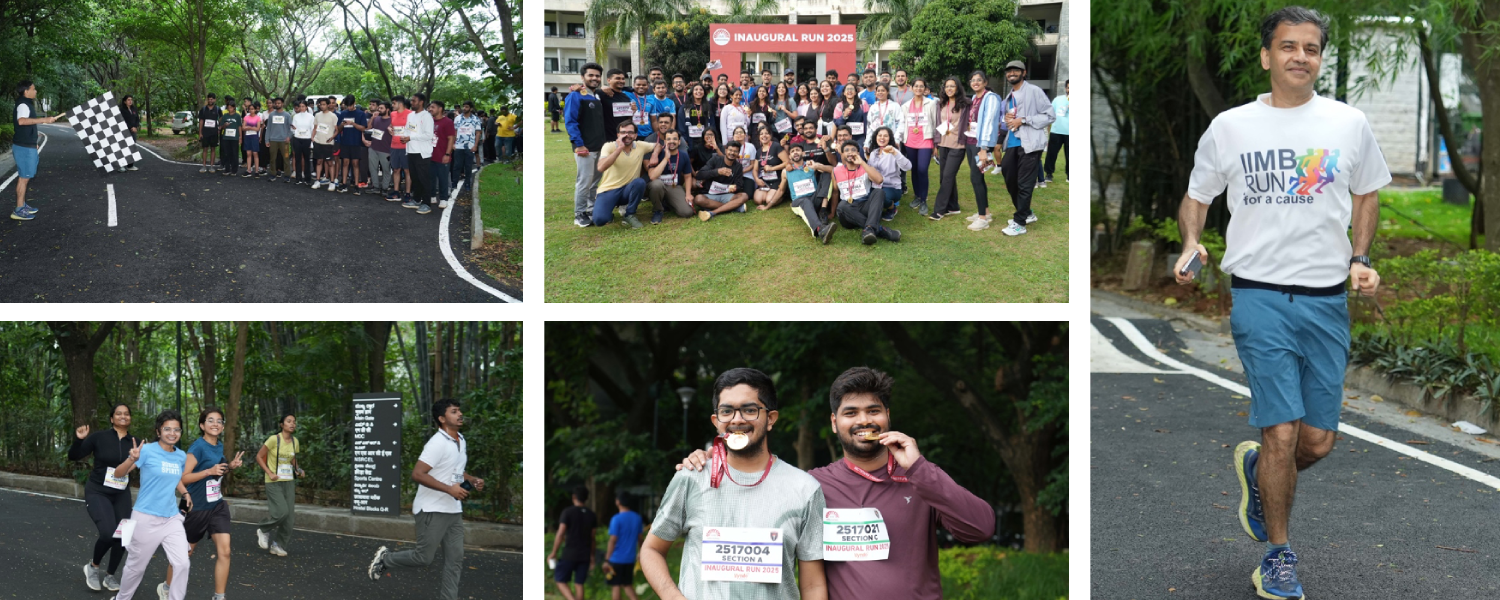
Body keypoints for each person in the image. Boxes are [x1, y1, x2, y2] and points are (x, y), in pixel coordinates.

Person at [1175, 7, 1388, 600]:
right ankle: (1278, 556)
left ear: (1320, 59)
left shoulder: (1348, 124)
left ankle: (1257, 475)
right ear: (1267, 56)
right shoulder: (1231, 126)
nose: (1300, 56)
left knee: (1316, 442)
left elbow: (1367, 193)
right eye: (1289, 46)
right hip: (1259, 296)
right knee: (1282, 432)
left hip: (1326, 302)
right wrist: (1192, 242)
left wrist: (1360, 257)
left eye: (1311, 48)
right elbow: (1197, 196)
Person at [677, 367, 997, 599]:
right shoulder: (812, 485)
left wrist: (919, 467)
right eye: (850, 412)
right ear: (834, 422)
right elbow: (754, 503)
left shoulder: (920, 478)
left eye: (873, 410)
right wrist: (711, 462)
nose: (863, 420)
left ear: (887, 416)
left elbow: (981, 528)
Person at [639, 368, 828, 600]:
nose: (737, 420)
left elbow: (813, 586)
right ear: (716, 421)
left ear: (770, 418)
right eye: (727, 411)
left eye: (749, 410)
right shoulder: (692, 478)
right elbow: (651, 550)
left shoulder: (804, 488)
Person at [367, 400, 484, 600]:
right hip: (432, 509)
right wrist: (449, 489)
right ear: (442, 419)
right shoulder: (437, 443)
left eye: (459, 411)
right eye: (454, 411)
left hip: (453, 510)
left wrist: (471, 479)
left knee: (455, 560)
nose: (460, 414)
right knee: (423, 557)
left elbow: (455, 470)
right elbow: (418, 474)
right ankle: (386, 559)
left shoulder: (460, 440)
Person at [160, 407, 245, 600]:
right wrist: (209, 471)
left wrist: (230, 467)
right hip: (196, 508)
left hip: (217, 506)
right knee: (184, 554)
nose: (215, 424)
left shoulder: (219, 445)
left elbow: (218, 471)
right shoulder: (197, 448)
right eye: (210, 420)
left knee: (225, 551)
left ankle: (219, 596)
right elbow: (182, 478)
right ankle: (166, 587)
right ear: (202, 425)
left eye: (219, 421)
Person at [106, 410, 191, 600]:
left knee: (182, 563)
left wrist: (184, 492)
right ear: (158, 431)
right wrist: (132, 458)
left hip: (171, 518)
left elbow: (174, 477)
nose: (172, 433)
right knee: (136, 567)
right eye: (167, 429)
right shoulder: (146, 450)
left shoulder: (181, 456)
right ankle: (121, 598)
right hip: (146, 517)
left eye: (177, 429)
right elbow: (118, 474)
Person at [70, 404, 139, 592]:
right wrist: (79, 440)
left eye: (126, 414)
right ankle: (93, 567)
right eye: (119, 413)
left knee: (124, 535)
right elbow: (74, 456)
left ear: (130, 418)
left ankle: (110, 575)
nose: (123, 416)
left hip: (121, 492)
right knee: (108, 533)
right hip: (98, 491)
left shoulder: (136, 442)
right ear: (111, 418)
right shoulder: (99, 437)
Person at [995, 60, 1055, 236]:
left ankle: (1020, 222)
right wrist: (1008, 119)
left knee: (1024, 183)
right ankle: (1027, 213)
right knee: (1009, 178)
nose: (1011, 73)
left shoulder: (1034, 91)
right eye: (1008, 71)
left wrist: (1024, 119)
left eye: (1016, 70)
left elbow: (1050, 116)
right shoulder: (1009, 97)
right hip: (1012, 143)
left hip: (1030, 144)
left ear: (1024, 72)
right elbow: (1008, 120)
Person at [254, 413, 304, 557]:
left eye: (294, 421)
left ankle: (278, 545)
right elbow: (259, 456)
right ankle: (263, 529)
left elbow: (292, 458)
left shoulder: (295, 441)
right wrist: (269, 473)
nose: (292, 424)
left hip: (288, 481)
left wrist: (298, 469)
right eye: (289, 421)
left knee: (289, 518)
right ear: (282, 425)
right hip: (273, 481)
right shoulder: (273, 439)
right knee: (282, 512)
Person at [10, 80, 61, 221]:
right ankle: (19, 209)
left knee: (25, 177)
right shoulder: (23, 104)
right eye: (33, 89)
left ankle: (22, 205)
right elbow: (21, 121)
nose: (35, 91)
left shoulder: (26, 103)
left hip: (27, 145)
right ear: (26, 91)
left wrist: (33, 142)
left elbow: (27, 125)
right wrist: (43, 120)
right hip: (24, 148)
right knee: (24, 178)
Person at [832, 140, 898, 245]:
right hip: (848, 212)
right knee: (842, 206)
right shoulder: (836, 171)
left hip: (864, 206)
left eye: (853, 150)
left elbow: (879, 180)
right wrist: (832, 213)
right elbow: (835, 192)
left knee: (878, 192)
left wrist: (862, 163)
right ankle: (879, 229)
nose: (850, 152)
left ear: (858, 153)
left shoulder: (866, 168)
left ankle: (869, 228)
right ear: (842, 154)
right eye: (847, 150)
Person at [566, 63, 607, 228]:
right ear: (582, 77)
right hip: (585, 148)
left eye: (597, 76)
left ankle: (591, 210)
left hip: (600, 147)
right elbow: (571, 122)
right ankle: (579, 214)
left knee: (594, 182)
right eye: (591, 75)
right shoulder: (575, 96)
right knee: (584, 181)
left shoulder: (597, 96)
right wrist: (578, 144)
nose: (594, 78)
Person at [593, 120, 653, 228]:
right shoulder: (609, 146)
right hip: (609, 190)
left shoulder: (640, 146)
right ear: (618, 135)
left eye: (630, 132)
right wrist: (619, 148)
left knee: (639, 182)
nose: (626, 135)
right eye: (623, 132)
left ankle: (630, 214)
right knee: (600, 220)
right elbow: (601, 167)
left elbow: (658, 146)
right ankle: (608, 209)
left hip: (627, 190)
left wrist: (656, 154)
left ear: (635, 135)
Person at [960, 70, 1001, 231]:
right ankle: (985, 212)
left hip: (981, 144)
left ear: (985, 82)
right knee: (978, 178)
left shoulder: (990, 98)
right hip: (971, 141)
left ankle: (982, 219)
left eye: (978, 80)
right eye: (972, 80)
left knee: (976, 178)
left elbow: (989, 122)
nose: (975, 82)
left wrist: (983, 148)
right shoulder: (974, 98)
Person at [779, 143, 838, 244]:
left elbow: (833, 170)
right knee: (805, 201)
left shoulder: (811, 165)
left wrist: (817, 166)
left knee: (827, 174)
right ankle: (821, 230)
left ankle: (823, 211)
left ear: (803, 153)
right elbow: (781, 190)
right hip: (799, 202)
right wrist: (769, 204)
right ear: (790, 156)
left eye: (797, 150)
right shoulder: (785, 171)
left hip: (814, 198)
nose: (795, 152)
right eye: (792, 151)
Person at [929, 77, 969, 221]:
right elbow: (938, 124)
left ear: (958, 88)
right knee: (945, 176)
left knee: (947, 176)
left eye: (952, 86)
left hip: (958, 145)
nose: (949, 89)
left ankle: (939, 210)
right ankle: (953, 206)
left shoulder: (966, 104)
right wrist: (936, 144)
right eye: (947, 86)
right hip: (943, 144)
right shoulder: (941, 104)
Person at [548, 486, 597, 600]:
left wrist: (554, 552)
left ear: (574, 497)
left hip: (570, 553)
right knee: (579, 583)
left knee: (560, 579)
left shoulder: (568, 512)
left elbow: (560, 533)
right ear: (586, 498)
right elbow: (592, 538)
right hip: (585, 554)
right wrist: (592, 556)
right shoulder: (591, 515)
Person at [898, 78, 938, 217]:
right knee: (914, 169)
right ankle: (917, 196)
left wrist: (936, 144)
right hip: (910, 141)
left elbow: (935, 123)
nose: (919, 88)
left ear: (925, 89)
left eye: (921, 86)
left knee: (922, 169)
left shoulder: (931, 103)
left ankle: (923, 200)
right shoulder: (905, 106)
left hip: (925, 140)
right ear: (911, 88)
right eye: (916, 86)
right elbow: (903, 124)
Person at [645, 129, 695, 222]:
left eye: (675, 139)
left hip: (673, 186)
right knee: (656, 185)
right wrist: (666, 158)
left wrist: (688, 194)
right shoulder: (657, 154)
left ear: (679, 142)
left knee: (687, 212)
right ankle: (658, 210)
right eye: (669, 139)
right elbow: (652, 176)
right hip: (658, 186)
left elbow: (688, 176)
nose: (671, 141)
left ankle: (668, 202)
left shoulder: (684, 155)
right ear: (665, 141)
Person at [693, 140, 749, 221]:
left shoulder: (738, 166)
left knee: (744, 196)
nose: (732, 153)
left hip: (726, 195)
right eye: (730, 150)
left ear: (738, 153)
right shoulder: (715, 160)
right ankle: (734, 207)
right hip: (710, 194)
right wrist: (717, 172)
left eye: (735, 151)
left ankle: (713, 212)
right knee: (698, 199)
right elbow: (699, 175)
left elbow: (739, 184)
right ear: (726, 150)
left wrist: (735, 188)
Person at [867, 127, 912, 223]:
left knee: (882, 197)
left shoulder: (894, 152)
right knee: (865, 197)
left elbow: (908, 167)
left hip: (891, 186)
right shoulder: (873, 153)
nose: (882, 138)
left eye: (885, 136)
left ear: (890, 138)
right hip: (875, 185)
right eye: (880, 135)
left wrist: (895, 153)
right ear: (875, 137)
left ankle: (892, 208)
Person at [402, 93, 437, 215]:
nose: (412, 103)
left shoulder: (427, 116)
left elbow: (428, 135)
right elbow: (408, 129)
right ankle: (416, 200)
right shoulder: (410, 115)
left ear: (421, 102)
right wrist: (404, 136)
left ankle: (426, 203)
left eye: (414, 101)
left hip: (422, 153)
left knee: (423, 179)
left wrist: (410, 137)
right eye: (411, 101)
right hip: (411, 151)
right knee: (415, 178)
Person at [604, 493, 644, 600]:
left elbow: (612, 540)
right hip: (630, 559)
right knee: (627, 585)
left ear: (618, 502)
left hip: (616, 559)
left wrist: (607, 560)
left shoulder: (616, 519)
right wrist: (640, 552)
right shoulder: (637, 518)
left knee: (616, 585)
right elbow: (640, 539)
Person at [336, 96, 368, 194]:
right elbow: (338, 129)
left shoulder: (360, 113)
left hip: (356, 142)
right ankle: (344, 183)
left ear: (354, 103)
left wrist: (353, 124)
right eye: (347, 106)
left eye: (350, 105)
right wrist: (342, 125)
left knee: (355, 163)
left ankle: (356, 185)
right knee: (345, 163)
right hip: (345, 142)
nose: (349, 107)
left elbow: (363, 128)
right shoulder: (343, 113)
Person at [750, 126, 787, 210]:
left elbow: (787, 162)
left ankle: (782, 194)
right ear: (759, 137)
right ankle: (771, 193)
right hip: (765, 182)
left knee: (769, 200)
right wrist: (757, 179)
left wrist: (772, 168)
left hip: (777, 180)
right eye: (761, 134)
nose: (764, 136)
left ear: (770, 135)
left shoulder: (776, 146)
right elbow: (755, 169)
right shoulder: (759, 151)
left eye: (766, 133)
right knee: (758, 200)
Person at [451, 101, 481, 196]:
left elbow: (478, 133)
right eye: (463, 106)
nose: (464, 108)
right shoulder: (457, 118)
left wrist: (475, 145)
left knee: (468, 166)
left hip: (470, 146)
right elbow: (454, 131)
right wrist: (453, 143)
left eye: (467, 107)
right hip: (458, 146)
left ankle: (467, 183)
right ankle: (454, 183)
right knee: (457, 166)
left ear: (471, 108)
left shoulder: (476, 119)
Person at [430, 100, 456, 206]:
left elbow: (451, 139)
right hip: (429, 155)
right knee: (431, 178)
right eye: (430, 107)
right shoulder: (430, 121)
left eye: (433, 107)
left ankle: (443, 198)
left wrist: (447, 154)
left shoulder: (448, 122)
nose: (430, 109)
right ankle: (432, 196)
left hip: (442, 155)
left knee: (443, 178)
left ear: (440, 109)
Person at [388, 96, 413, 202]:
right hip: (394, 146)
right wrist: (389, 128)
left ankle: (408, 193)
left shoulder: (411, 114)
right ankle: (396, 192)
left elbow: (415, 129)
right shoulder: (392, 114)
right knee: (396, 169)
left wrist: (409, 137)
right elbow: (391, 125)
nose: (392, 105)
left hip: (406, 146)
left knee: (407, 170)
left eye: (394, 103)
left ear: (400, 104)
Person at [1045, 80, 1070, 185]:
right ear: (1065, 88)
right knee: (1052, 154)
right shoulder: (1057, 99)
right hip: (1056, 131)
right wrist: (1048, 129)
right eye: (1068, 88)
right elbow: (1050, 114)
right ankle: (1049, 174)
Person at [312, 97, 339, 190]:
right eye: (320, 104)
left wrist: (332, 137)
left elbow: (337, 130)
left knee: (330, 162)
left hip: (328, 143)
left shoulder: (333, 116)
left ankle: (332, 182)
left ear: (328, 105)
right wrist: (312, 137)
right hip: (318, 141)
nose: (322, 106)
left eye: (324, 104)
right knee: (319, 161)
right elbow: (315, 128)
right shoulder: (317, 115)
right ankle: (317, 180)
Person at [367, 101, 393, 196]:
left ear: (387, 109)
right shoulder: (376, 118)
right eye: (379, 108)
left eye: (381, 108)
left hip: (386, 150)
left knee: (386, 170)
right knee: (372, 169)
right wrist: (372, 118)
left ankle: (385, 188)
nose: (379, 110)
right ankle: (376, 187)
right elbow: (368, 127)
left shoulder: (392, 120)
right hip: (373, 148)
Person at [262, 97, 292, 182]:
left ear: (282, 104)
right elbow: (268, 128)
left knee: (286, 158)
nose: (277, 104)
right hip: (273, 140)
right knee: (272, 158)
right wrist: (267, 140)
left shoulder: (287, 115)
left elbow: (291, 128)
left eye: (279, 103)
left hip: (284, 141)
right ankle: (272, 174)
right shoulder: (271, 115)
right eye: (276, 103)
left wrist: (289, 136)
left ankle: (287, 175)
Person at [291, 99, 314, 185]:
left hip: (307, 139)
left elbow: (312, 129)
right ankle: (298, 178)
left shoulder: (311, 117)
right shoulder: (296, 116)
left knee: (307, 159)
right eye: (300, 106)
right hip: (297, 138)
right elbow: (293, 128)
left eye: (303, 106)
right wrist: (295, 131)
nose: (301, 108)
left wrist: (312, 141)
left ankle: (308, 179)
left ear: (306, 107)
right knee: (298, 158)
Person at [197, 93, 222, 174]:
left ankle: (211, 166)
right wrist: (200, 133)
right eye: (209, 99)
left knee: (213, 149)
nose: (210, 100)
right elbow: (201, 121)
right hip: (205, 132)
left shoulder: (217, 109)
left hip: (214, 132)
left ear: (214, 100)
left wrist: (219, 127)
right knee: (205, 149)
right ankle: (204, 166)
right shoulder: (203, 109)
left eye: (212, 99)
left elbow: (221, 118)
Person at [217, 99, 243, 177]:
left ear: (234, 107)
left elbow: (239, 126)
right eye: (228, 107)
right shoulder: (225, 116)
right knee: (226, 153)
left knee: (234, 153)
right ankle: (227, 169)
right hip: (226, 137)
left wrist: (240, 137)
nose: (229, 109)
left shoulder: (237, 116)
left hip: (234, 137)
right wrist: (224, 125)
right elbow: (221, 127)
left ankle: (234, 170)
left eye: (231, 107)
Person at [119, 95, 140, 171]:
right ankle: (121, 165)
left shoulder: (134, 109)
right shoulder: (121, 110)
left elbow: (137, 119)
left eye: (131, 99)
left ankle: (130, 165)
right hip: (124, 131)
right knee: (123, 148)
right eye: (128, 100)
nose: (130, 101)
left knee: (132, 148)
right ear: (125, 101)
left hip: (133, 132)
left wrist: (135, 127)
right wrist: (131, 127)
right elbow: (121, 120)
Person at [241, 103, 262, 178]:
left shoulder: (258, 118)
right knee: (248, 153)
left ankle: (256, 171)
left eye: (252, 109)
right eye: (250, 109)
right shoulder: (246, 117)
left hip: (254, 137)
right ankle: (248, 170)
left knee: (255, 153)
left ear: (255, 109)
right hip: (247, 137)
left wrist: (249, 127)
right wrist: (251, 127)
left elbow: (258, 128)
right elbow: (243, 128)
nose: (251, 110)